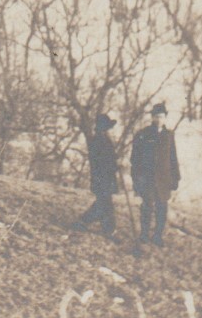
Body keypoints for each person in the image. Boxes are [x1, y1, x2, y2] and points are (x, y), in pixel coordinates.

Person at [131, 103, 181, 247]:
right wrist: (137, 178)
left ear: (165, 118)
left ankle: (158, 236)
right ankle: (144, 235)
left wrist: (176, 177)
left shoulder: (169, 135)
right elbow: (135, 159)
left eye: (162, 117)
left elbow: (173, 158)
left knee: (162, 208)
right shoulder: (144, 134)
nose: (159, 120)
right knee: (147, 206)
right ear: (152, 117)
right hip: (148, 179)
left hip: (164, 179)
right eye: (156, 117)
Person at [72, 114, 120, 241]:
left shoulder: (105, 139)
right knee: (106, 204)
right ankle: (109, 231)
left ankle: (83, 221)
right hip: (101, 178)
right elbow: (101, 162)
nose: (109, 130)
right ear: (102, 128)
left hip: (106, 178)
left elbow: (110, 159)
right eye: (107, 127)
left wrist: (115, 163)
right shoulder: (97, 140)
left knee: (102, 204)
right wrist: (113, 164)